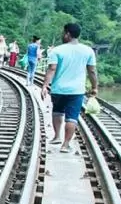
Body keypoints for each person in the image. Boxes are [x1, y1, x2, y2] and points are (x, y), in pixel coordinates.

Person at [41, 23, 99, 153]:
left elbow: (52, 69)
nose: (62, 35)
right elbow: (92, 71)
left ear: (67, 34)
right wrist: (95, 87)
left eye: (63, 33)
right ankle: (65, 144)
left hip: (58, 89)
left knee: (57, 111)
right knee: (72, 117)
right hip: (76, 91)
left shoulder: (57, 50)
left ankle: (56, 137)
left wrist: (45, 85)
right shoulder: (88, 50)